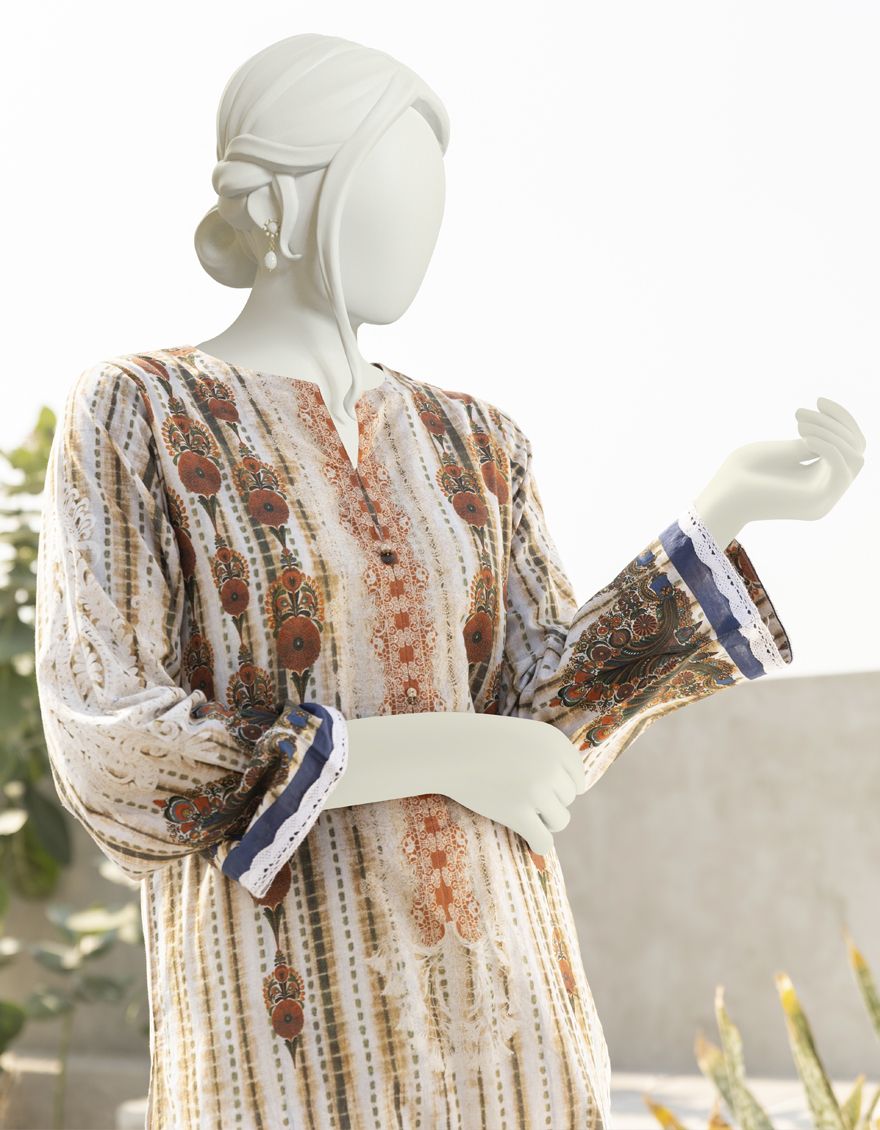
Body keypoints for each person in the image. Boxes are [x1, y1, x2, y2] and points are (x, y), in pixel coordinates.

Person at [34, 33, 863, 1130]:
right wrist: (429, 749)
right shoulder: (139, 410)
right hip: (285, 1039)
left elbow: (545, 720)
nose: (425, 220)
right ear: (292, 196)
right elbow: (113, 746)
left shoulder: (479, 441)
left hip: (513, 1029)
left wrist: (723, 512)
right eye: (397, 181)